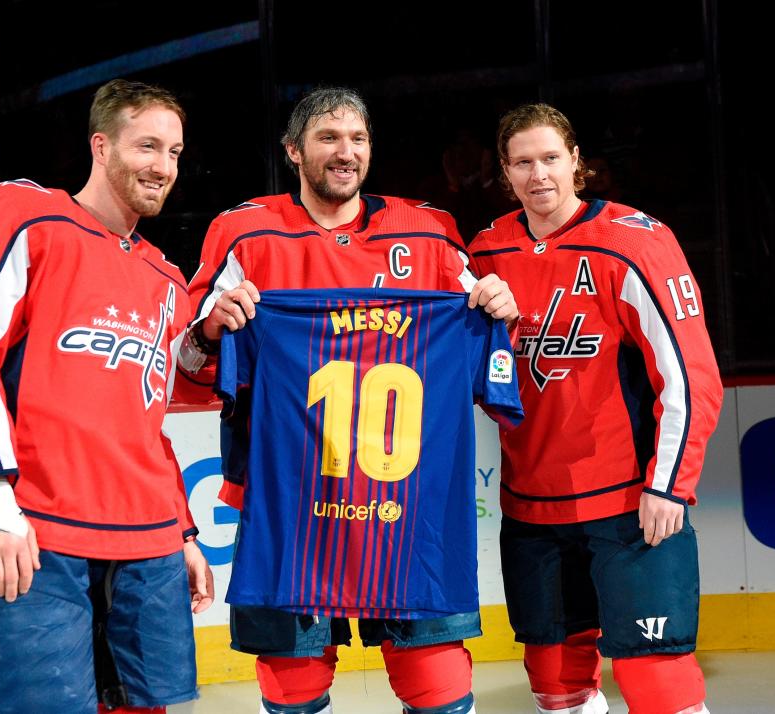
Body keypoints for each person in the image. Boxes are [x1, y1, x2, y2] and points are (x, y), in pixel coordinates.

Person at [175, 87, 519, 714]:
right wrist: (210, 330)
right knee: (293, 686)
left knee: (437, 683)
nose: (346, 152)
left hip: (407, 508)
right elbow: (185, 362)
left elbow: (493, 353)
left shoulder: (430, 231)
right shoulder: (244, 233)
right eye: (329, 138)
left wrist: (501, 313)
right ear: (292, 151)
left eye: (358, 139)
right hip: (289, 507)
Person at [0, 79, 213, 713]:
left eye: (175, 152)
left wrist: (180, 532)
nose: (164, 167)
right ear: (101, 146)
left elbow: (143, 421)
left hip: (145, 549)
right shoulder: (21, 214)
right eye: (148, 146)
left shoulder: (166, 278)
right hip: (31, 532)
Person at [468, 103, 723, 714]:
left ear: (577, 162)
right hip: (531, 510)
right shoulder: (484, 255)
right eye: (523, 162)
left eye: (551, 158)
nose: (539, 175)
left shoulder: (635, 243)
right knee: (555, 684)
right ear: (505, 172)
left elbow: (691, 377)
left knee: (656, 680)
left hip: (630, 503)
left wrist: (670, 486)